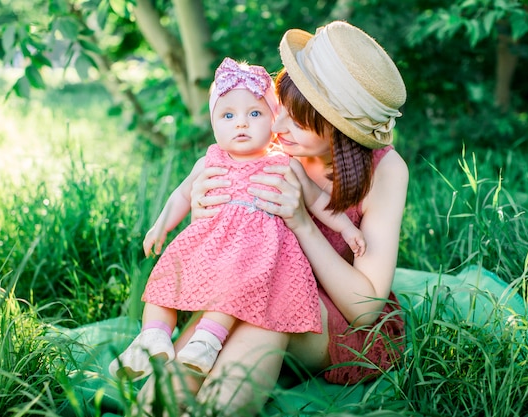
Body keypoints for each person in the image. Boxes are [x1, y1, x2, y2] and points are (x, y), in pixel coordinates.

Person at [149, 21, 409, 415]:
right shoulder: (263, 137)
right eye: (278, 108)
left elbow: (365, 308)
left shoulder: (385, 172)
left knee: (265, 308)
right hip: (245, 287)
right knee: (189, 357)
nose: (278, 126)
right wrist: (202, 209)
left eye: (299, 120)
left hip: (335, 318)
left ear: (342, 130)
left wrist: (302, 223)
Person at [109, 57, 367, 382]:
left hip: (256, 254)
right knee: (165, 282)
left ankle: (208, 340)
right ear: (214, 123)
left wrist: (346, 226)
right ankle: (151, 337)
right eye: (228, 115)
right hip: (210, 244)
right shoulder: (210, 160)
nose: (241, 124)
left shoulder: (283, 163)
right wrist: (161, 225)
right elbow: (182, 195)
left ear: (273, 120)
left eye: (254, 114)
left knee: (235, 287)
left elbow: (318, 202)